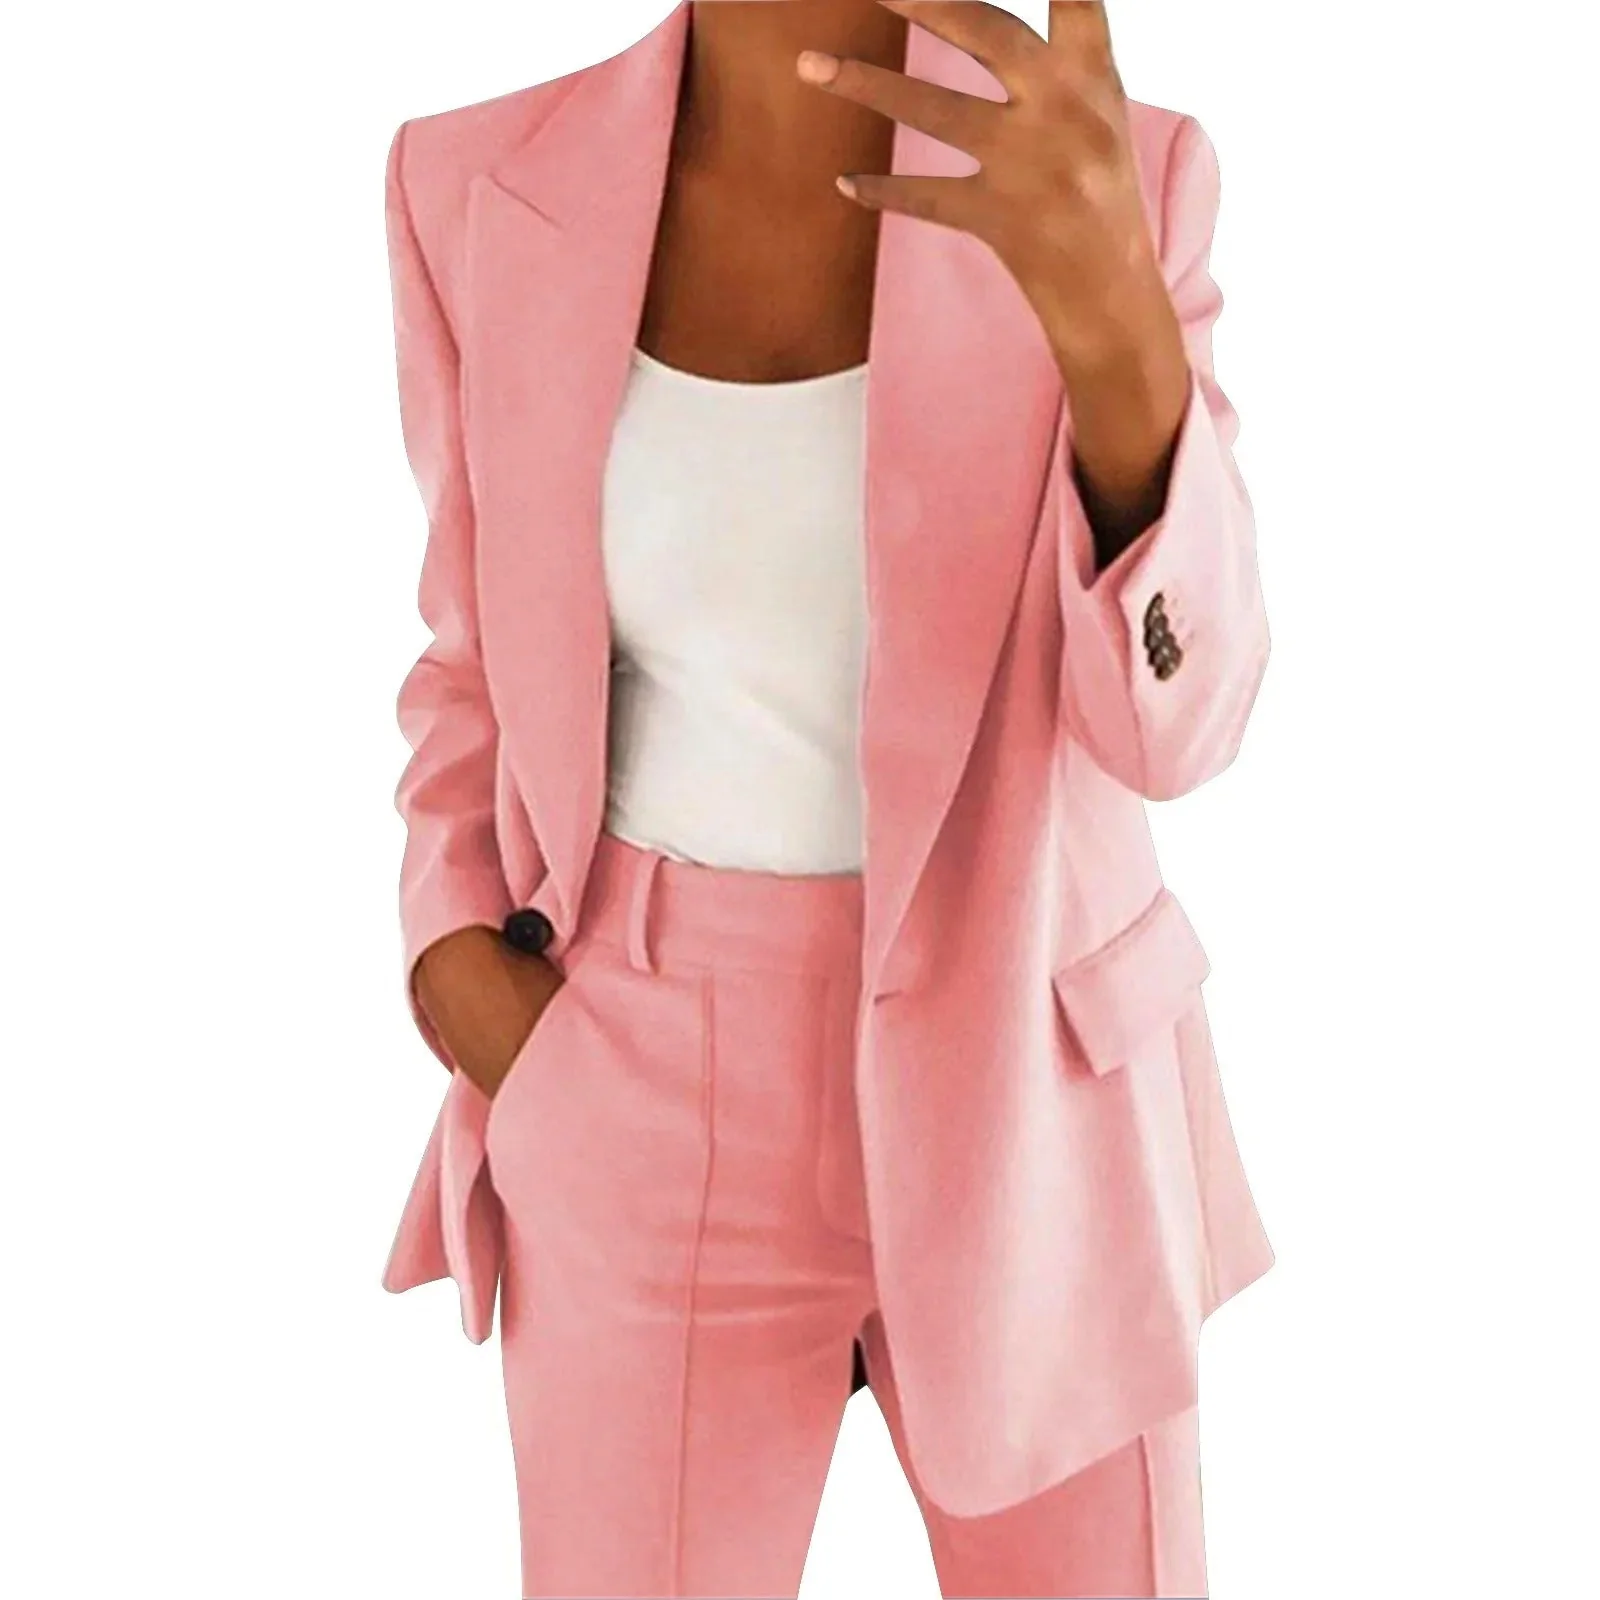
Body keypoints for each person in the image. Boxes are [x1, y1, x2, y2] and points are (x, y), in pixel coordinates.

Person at [379, 3, 1274, 1594]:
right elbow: (472, 656)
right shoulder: (474, 184)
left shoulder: (1108, 177)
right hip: (640, 1085)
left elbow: (1179, 730)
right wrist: (460, 960)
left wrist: (1116, 338)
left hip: (1035, 1095)